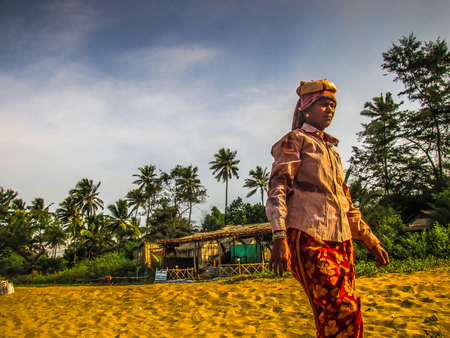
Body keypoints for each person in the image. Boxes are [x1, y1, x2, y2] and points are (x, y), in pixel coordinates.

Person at [266, 79, 389, 338]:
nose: (330, 109)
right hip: (307, 236)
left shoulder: (333, 153)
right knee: (344, 308)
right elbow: (278, 186)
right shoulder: (295, 140)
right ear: (306, 108)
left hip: (342, 240)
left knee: (333, 313)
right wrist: (279, 236)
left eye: (333, 104)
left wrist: (370, 240)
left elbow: (345, 201)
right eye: (324, 103)